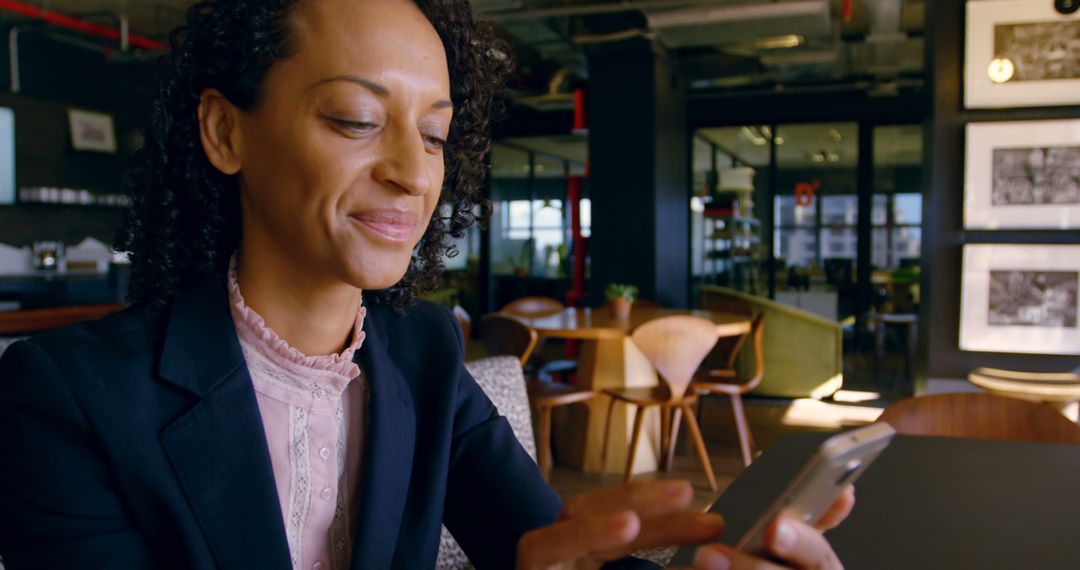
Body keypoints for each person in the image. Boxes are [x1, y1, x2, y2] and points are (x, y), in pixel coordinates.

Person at [0, 0, 854, 568]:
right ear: (226, 132)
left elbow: (550, 547)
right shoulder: (67, 399)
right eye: (356, 120)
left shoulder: (422, 353)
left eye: (438, 135)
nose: (415, 173)